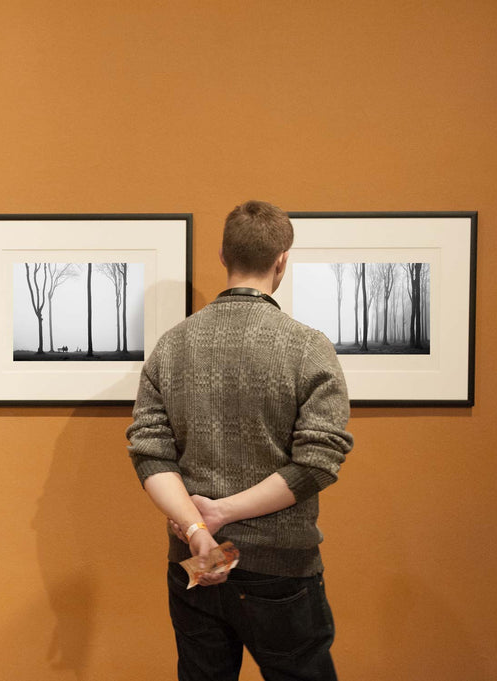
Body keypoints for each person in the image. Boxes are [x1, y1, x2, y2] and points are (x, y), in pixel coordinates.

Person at [126, 200, 354, 681]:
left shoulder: (172, 345)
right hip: (282, 569)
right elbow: (317, 462)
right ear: (282, 261)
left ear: (222, 256)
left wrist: (197, 529)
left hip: (195, 559)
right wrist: (223, 512)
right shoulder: (307, 346)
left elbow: (150, 453)